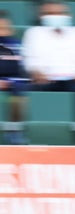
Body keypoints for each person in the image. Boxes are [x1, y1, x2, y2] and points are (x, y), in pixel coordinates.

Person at [21, 0, 75, 123]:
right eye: (50, 13)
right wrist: (36, 72)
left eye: (59, 13)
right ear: (41, 16)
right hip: (45, 81)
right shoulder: (34, 33)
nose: (55, 16)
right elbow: (28, 60)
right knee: (31, 92)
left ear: (69, 15)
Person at [0, 10, 27, 144]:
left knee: (19, 90)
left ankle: (14, 130)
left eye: (5, 28)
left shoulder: (16, 45)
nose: (3, 32)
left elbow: (21, 72)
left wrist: (8, 81)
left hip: (13, 83)